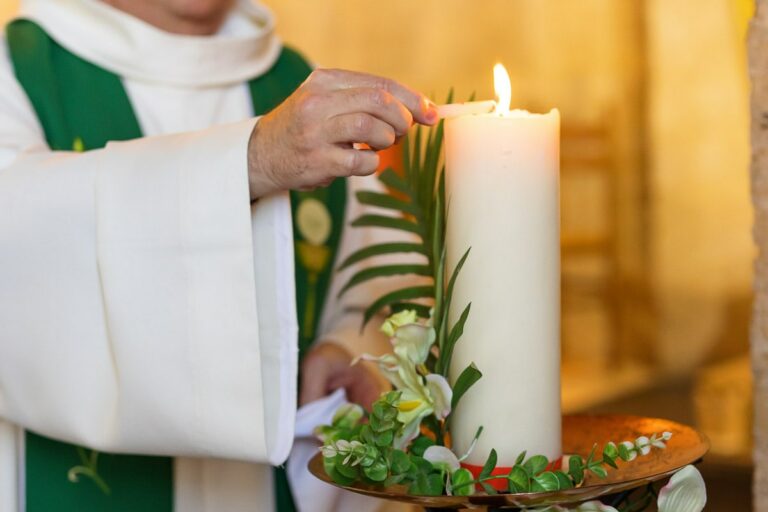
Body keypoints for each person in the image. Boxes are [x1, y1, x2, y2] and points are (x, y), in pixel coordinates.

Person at [0, 0, 438, 510]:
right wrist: (251, 160)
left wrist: (349, 350)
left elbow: (384, 283)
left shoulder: (295, 82)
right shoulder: (19, 71)